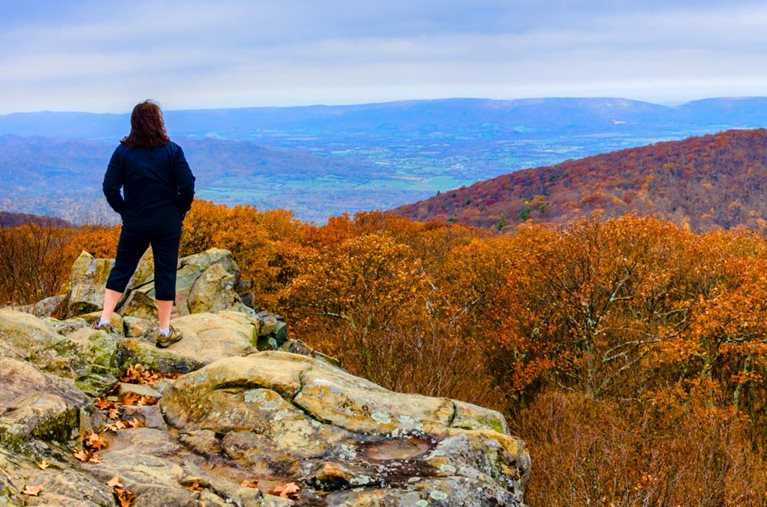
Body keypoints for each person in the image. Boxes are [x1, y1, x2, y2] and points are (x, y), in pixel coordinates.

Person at [93, 100, 196, 348]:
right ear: (158, 121)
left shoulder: (123, 153)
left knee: (123, 268)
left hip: (135, 221)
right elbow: (188, 185)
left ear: (134, 123)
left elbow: (109, 187)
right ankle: (163, 330)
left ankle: (104, 321)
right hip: (166, 222)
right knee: (166, 272)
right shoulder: (172, 151)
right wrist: (178, 211)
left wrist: (124, 210)